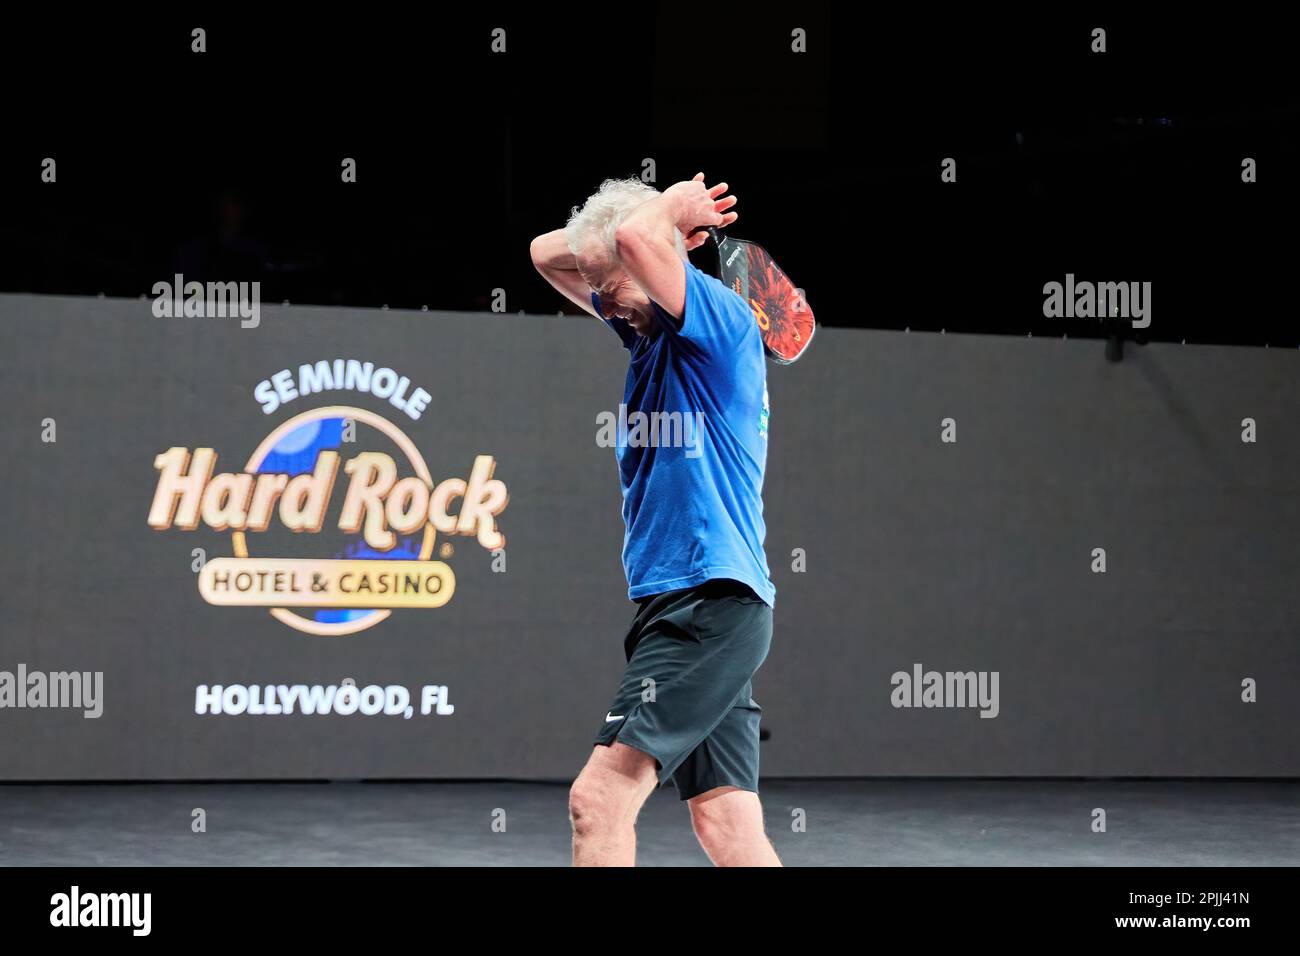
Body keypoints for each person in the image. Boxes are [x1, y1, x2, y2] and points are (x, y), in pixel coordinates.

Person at [530, 173, 781, 866]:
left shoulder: (719, 324)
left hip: (708, 604)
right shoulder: (647, 335)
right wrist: (631, 237)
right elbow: (544, 253)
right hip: (687, 606)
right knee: (729, 827)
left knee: (598, 799)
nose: (600, 301)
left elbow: (639, 239)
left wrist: (669, 213)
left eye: (609, 285)